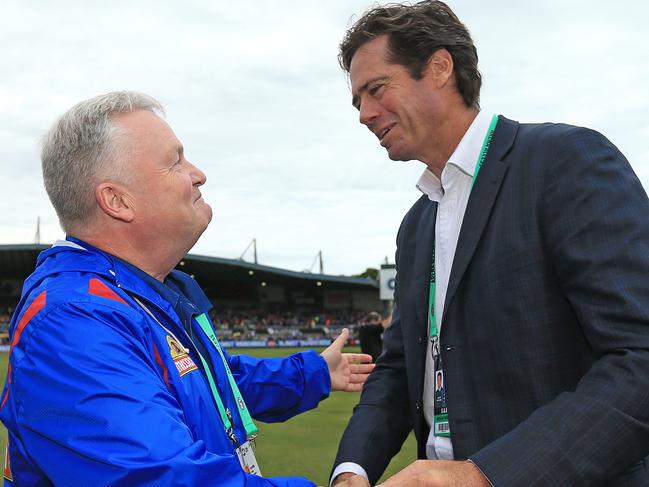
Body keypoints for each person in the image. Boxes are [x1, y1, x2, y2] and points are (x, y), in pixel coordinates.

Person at [330, 1, 649, 486]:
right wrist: (351, 470)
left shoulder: (565, 163)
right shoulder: (416, 226)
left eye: (375, 90)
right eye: (357, 102)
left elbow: (639, 359)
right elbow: (399, 370)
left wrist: (485, 475)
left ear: (439, 68)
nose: (365, 114)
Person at [0, 91, 374, 486]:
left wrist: (311, 372)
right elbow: (162, 478)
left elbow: (208, 378)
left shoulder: (143, 295)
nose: (197, 173)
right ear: (116, 200)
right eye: (175, 161)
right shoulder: (73, 323)